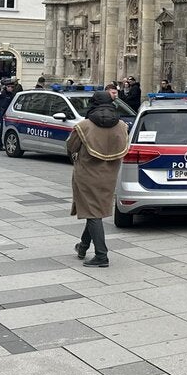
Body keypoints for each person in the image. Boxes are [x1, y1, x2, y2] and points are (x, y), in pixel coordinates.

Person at [67, 91, 129, 268]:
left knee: (93, 212)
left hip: (87, 174)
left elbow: (71, 146)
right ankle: (83, 246)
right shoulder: (122, 126)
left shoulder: (84, 126)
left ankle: (101, 255)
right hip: (109, 176)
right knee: (95, 211)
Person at [0, 79, 16, 151]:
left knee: (3, 129)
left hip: (7, 112)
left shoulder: (11, 94)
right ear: (7, 87)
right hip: (2, 112)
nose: (12, 89)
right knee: (1, 129)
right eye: (11, 87)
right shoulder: (3, 93)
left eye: (13, 87)